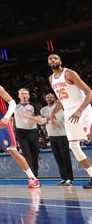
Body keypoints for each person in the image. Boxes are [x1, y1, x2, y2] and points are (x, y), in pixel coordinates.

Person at [46, 53, 92, 189]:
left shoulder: (69, 73)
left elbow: (89, 92)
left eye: (55, 58)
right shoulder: (50, 79)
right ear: (48, 63)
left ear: (60, 61)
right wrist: (53, 113)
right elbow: (61, 99)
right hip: (68, 113)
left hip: (83, 109)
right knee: (73, 146)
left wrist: (79, 111)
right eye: (50, 59)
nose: (53, 60)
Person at [40, 92, 73, 185]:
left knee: (65, 157)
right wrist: (45, 120)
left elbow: (55, 121)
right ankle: (64, 178)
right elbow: (42, 122)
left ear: (55, 98)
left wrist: (46, 120)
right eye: (47, 96)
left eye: (51, 96)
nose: (49, 97)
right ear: (45, 99)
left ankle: (70, 178)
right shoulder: (43, 110)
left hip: (62, 135)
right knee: (58, 158)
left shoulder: (60, 107)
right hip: (51, 136)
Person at [13, 88, 42, 178]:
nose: (24, 95)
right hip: (20, 133)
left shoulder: (34, 106)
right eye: (22, 94)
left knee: (34, 155)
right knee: (26, 155)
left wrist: (28, 116)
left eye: (26, 94)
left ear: (28, 96)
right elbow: (11, 120)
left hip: (32, 132)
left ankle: (35, 177)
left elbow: (39, 120)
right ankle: (31, 178)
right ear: (19, 96)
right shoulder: (14, 107)